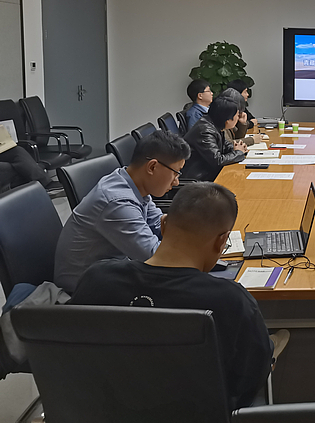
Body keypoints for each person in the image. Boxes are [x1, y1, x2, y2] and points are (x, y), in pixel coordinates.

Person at [69, 182, 288, 411]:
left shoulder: (97, 279)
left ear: (163, 225)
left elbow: (69, 353)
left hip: (102, 411)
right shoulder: (231, 301)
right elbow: (250, 379)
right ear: (222, 241)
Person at [54, 131, 190, 293]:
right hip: (85, 292)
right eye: (175, 173)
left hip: (113, 274)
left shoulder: (133, 183)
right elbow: (156, 257)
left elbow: (159, 224)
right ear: (152, 167)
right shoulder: (117, 201)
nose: (176, 182)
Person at [182, 96, 248, 181]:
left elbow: (224, 145)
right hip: (199, 178)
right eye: (237, 116)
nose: (238, 118)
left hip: (208, 171)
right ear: (228, 119)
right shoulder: (205, 131)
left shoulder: (214, 124)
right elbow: (218, 161)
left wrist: (237, 148)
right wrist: (238, 152)